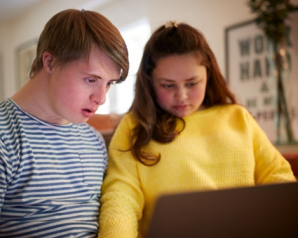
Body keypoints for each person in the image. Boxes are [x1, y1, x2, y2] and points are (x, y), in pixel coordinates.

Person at [0, 9, 129, 238]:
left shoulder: (93, 140)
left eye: (109, 83)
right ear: (49, 62)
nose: (101, 98)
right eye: (91, 80)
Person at [98, 21, 296, 238]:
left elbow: (278, 177)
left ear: (208, 75)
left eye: (192, 83)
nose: (181, 96)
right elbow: (121, 197)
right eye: (167, 85)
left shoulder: (238, 117)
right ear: (149, 82)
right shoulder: (135, 125)